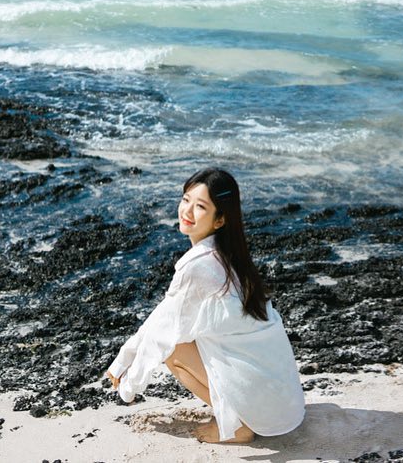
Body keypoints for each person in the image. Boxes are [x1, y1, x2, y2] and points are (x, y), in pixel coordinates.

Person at [106, 168, 306, 443]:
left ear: (220, 219)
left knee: (174, 348)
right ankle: (238, 414)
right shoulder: (230, 255)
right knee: (183, 333)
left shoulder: (200, 265)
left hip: (266, 409)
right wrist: (123, 359)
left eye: (200, 206)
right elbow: (163, 314)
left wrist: (128, 386)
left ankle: (238, 426)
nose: (187, 211)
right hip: (286, 404)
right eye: (185, 199)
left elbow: (160, 336)